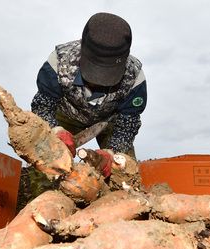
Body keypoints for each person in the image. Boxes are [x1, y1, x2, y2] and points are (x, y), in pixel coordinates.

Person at [31, 12, 147, 177]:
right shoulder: (58, 62)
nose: (98, 82)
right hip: (66, 114)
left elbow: (128, 123)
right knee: (46, 166)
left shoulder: (135, 78)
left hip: (109, 121)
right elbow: (43, 106)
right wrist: (55, 130)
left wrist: (112, 153)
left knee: (123, 171)